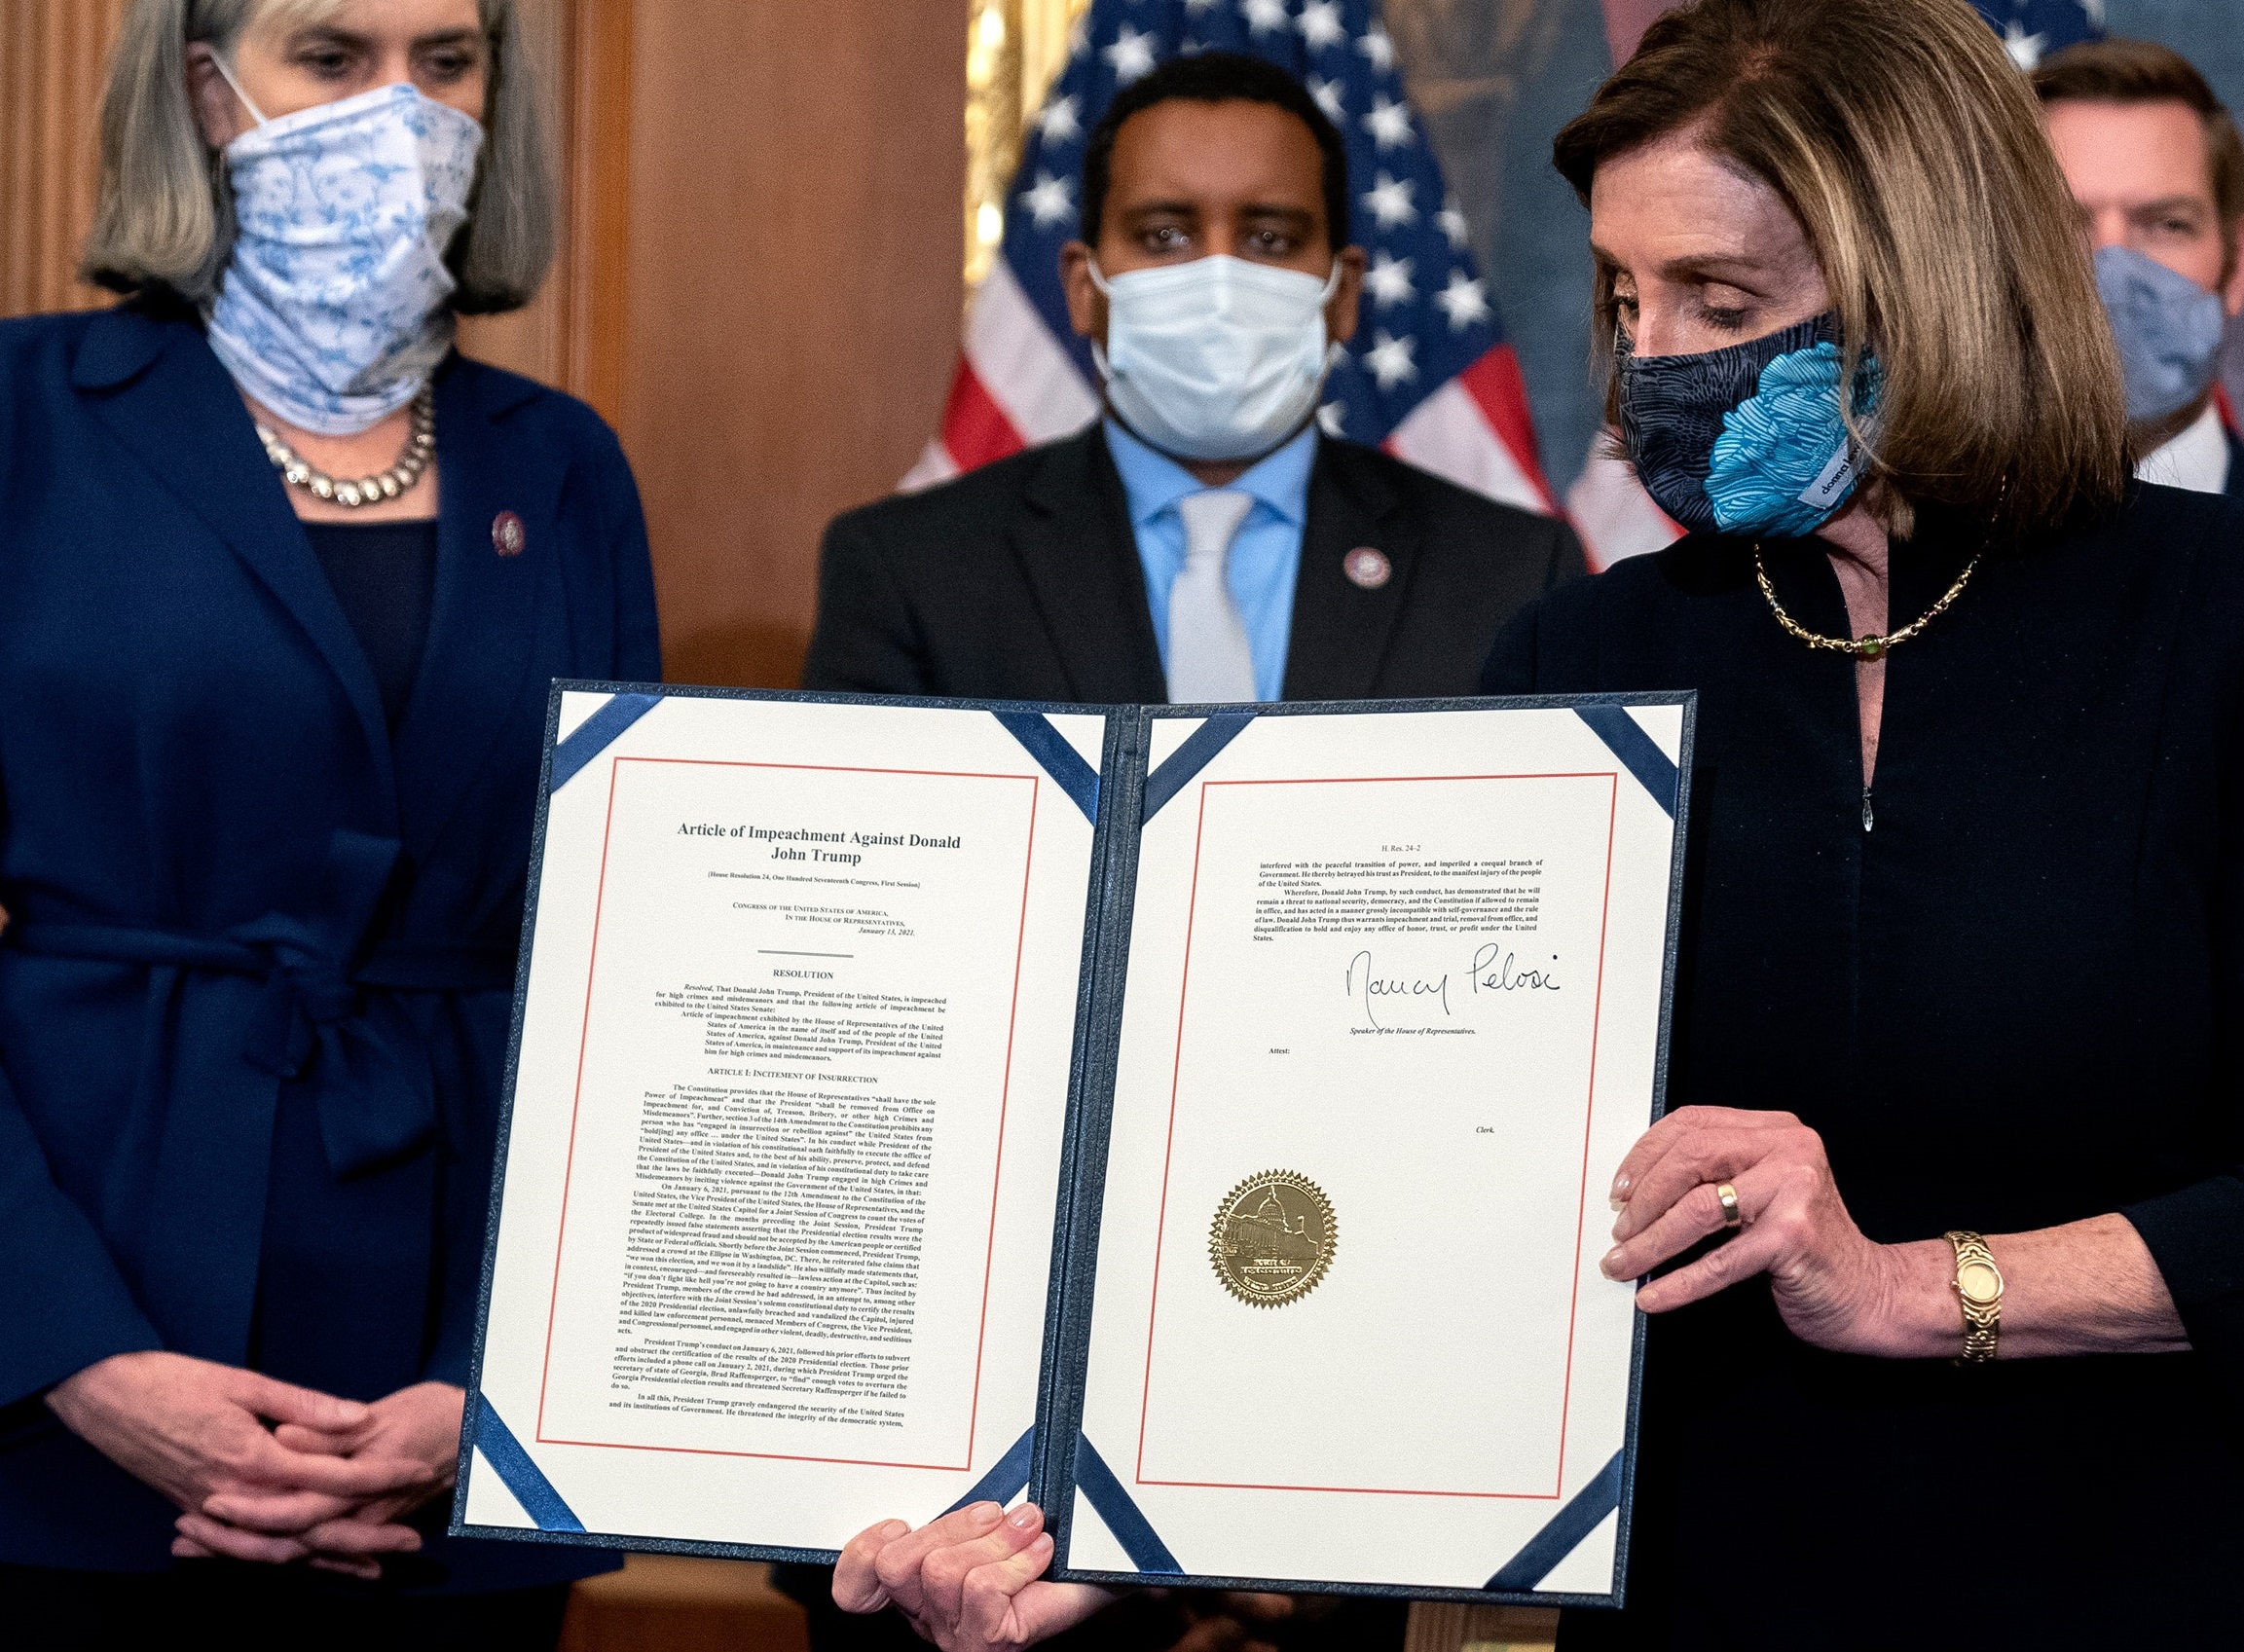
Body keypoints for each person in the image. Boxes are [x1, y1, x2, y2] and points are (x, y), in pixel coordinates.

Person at [834, 0, 2244, 1647]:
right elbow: (1427, 1188)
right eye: (1627, 297)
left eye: (1721, 301)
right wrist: (1129, 1530)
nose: (1654, 360)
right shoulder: (1581, 658)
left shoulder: (2213, 621)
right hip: (1697, 1592)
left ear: (1924, 277)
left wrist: (1914, 1287)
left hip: (2141, 1573)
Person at [0, 0, 657, 1643]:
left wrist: (495, 1376)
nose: (402, 110)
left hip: (451, 1404)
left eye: (448, 62)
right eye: (333, 56)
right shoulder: (21, 420)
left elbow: (635, 978)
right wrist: (73, 1353)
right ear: (207, 90)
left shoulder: (564, 466)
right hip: (66, 1370)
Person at [799, 52, 1582, 708]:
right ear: (1082, 288)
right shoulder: (909, 569)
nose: (1217, 280)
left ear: (1342, 294)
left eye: (1269, 239)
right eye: (1164, 235)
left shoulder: (1509, 575)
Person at [2035, 37, 2244, 494]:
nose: (2111, 271)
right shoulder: (1906, 526)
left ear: (2237, 266)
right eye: (2061, 225)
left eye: (2168, 225)